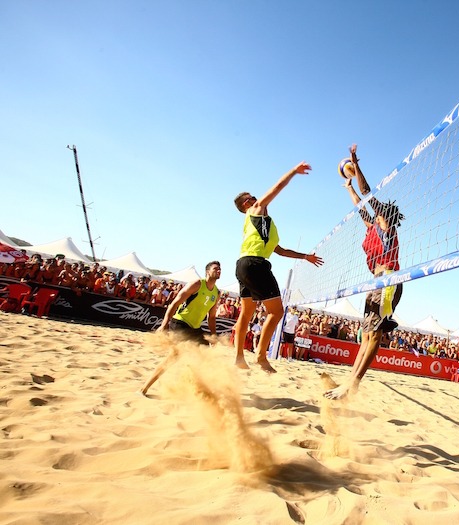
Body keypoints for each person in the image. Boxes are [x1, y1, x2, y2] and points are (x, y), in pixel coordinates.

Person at [325, 144, 405, 400]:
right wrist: (348, 187)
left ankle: (353, 384)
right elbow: (361, 204)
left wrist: (356, 165)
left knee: (374, 337)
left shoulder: (387, 228)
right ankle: (350, 383)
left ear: (385, 217)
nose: (375, 215)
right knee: (366, 335)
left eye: (379, 214)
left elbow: (368, 193)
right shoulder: (372, 227)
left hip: (389, 280)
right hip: (375, 283)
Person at [232, 161, 324, 371]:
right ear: (247, 204)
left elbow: (281, 251)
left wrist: (305, 257)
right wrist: (294, 171)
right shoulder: (255, 211)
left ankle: (238, 358)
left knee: (246, 314)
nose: (257, 199)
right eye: (253, 198)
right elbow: (277, 188)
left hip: (243, 264)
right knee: (276, 312)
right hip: (255, 264)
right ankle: (261, 356)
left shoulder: (263, 225)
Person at [141, 261, 222, 396]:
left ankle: (195, 388)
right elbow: (175, 303)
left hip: (194, 328)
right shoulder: (197, 284)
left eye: (220, 269)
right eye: (216, 269)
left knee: (205, 356)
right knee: (174, 356)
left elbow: (212, 317)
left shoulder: (217, 293)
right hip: (180, 322)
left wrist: (213, 336)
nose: (219, 271)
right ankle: (144, 388)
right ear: (208, 272)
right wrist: (164, 324)